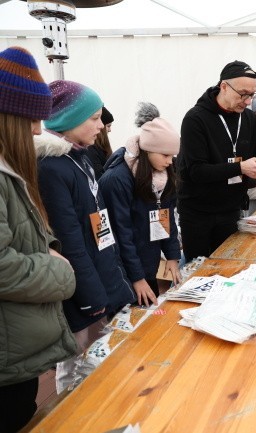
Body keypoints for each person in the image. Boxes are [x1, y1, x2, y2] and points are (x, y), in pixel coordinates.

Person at [35, 79, 136, 393]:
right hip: (82, 292)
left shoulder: (80, 158)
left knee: (101, 362)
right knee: (77, 364)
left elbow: (99, 225)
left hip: (101, 278)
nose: (102, 125)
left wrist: (116, 278)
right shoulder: (52, 168)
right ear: (67, 119)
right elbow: (69, 240)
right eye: (94, 118)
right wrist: (92, 297)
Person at [0, 46, 77, 433]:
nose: (37, 130)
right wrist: (60, 272)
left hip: (16, 353)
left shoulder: (10, 172)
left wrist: (45, 247)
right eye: (32, 119)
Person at [177, 60, 256, 263]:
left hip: (231, 209)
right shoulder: (195, 119)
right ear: (223, 86)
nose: (248, 101)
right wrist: (240, 167)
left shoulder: (248, 118)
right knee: (199, 271)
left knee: (227, 265)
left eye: (252, 95)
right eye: (243, 94)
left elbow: (254, 155)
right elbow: (196, 171)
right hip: (198, 213)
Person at [99, 102, 182, 306]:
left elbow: (166, 214)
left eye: (172, 155)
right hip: (125, 272)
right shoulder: (117, 179)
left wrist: (172, 255)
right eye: (165, 155)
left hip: (148, 263)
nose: (170, 161)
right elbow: (121, 233)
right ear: (148, 150)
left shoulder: (162, 174)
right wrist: (136, 277)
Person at [85, 106, 113, 179]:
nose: (110, 130)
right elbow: (99, 177)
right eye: (108, 126)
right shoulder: (91, 149)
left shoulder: (100, 147)